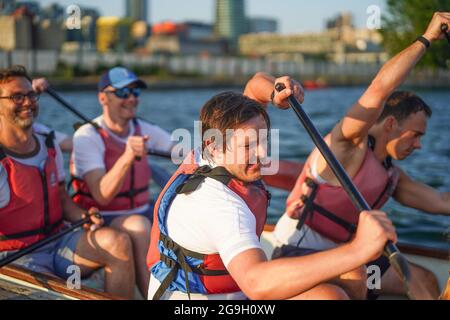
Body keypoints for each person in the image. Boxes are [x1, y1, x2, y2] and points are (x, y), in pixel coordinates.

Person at [145, 74, 398, 300]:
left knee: (353, 275)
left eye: (264, 140)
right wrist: (359, 249)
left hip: (235, 289)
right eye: (249, 146)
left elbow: (254, 86)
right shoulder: (221, 205)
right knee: (329, 297)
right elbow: (257, 282)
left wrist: (275, 92)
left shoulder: (211, 149)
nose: (263, 153)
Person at [273, 12, 450, 300]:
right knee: (355, 280)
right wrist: (427, 38)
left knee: (423, 280)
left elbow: (442, 202)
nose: (418, 145)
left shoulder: (392, 176)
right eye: (415, 135)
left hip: (348, 258)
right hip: (297, 257)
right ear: (390, 125)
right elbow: (379, 90)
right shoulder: (346, 145)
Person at [0, 65, 136, 299]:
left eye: (31, 94)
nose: (27, 102)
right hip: (17, 256)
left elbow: (62, 199)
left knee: (118, 242)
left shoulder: (49, 143)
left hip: (59, 241)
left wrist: (82, 215)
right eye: (16, 97)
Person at [70, 66, 174, 298]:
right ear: (102, 97)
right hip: (99, 219)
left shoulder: (144, 129)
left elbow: (181, 151)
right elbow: (101, 195)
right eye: (123, 93)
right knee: (138, 226)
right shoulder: (87, 136)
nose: (132, 99)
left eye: (135, 92)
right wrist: (127, 156)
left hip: (141, 211)